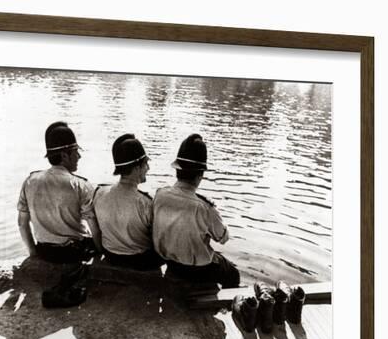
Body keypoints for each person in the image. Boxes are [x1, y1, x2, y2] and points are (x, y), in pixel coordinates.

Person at [152, 134, 240, 288]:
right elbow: (223, 238)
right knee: (232, 273)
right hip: (198, 270)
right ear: (200, 175)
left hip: (171, 264)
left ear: (176, 170)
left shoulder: (159, 195)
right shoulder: (204, 207)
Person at [17, 121, 103, 264]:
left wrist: (33, 254)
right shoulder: (80, 185)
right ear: (64, 155)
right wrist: (101, 255)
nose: (79, 157)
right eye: (76, 152)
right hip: (75, 253)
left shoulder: (29, 181)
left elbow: (22, 224)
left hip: (44, 252)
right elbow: (96, 230)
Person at [93, 134, 163, 271]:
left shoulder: (99, 193)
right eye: (146, 163)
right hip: (139, 262)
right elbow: (157, 240)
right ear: (137, 168)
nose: (148, 168)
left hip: (110, 255)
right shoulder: (145, 202)